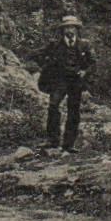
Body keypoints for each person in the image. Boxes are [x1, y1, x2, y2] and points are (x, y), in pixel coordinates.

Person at [37, 15, 93, 153]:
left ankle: (69, 144)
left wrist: (85, 71)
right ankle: (53, 140)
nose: (70, 30)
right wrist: (46, 68)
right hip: (59, 81)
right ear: (62, 30)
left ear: (77, 29)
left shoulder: (84, 45)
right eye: (67, 27)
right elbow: (39, 55)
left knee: (73, 111)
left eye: (72, 27)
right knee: (53, 106)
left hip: (76, 82)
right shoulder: (54, 45)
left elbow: (93, 63)